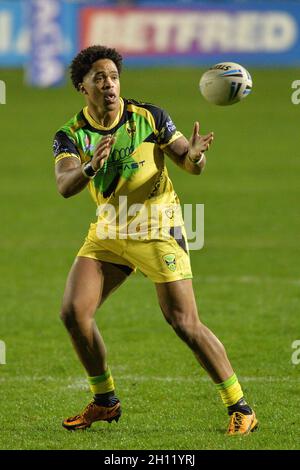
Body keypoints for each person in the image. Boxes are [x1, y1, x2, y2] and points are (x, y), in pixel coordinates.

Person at [53, 45, 258, 435]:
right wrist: (91, 166)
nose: (109, 84)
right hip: (110, 229)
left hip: (159, 228)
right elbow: (65, 185)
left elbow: (188, 162)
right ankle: (105, 401)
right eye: (99, 78)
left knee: (183, 321)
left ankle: (241, 407)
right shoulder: (70, 135)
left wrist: (195, 156)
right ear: (83, 86)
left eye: (113, 76)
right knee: (73, 313)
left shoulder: (149, 117)